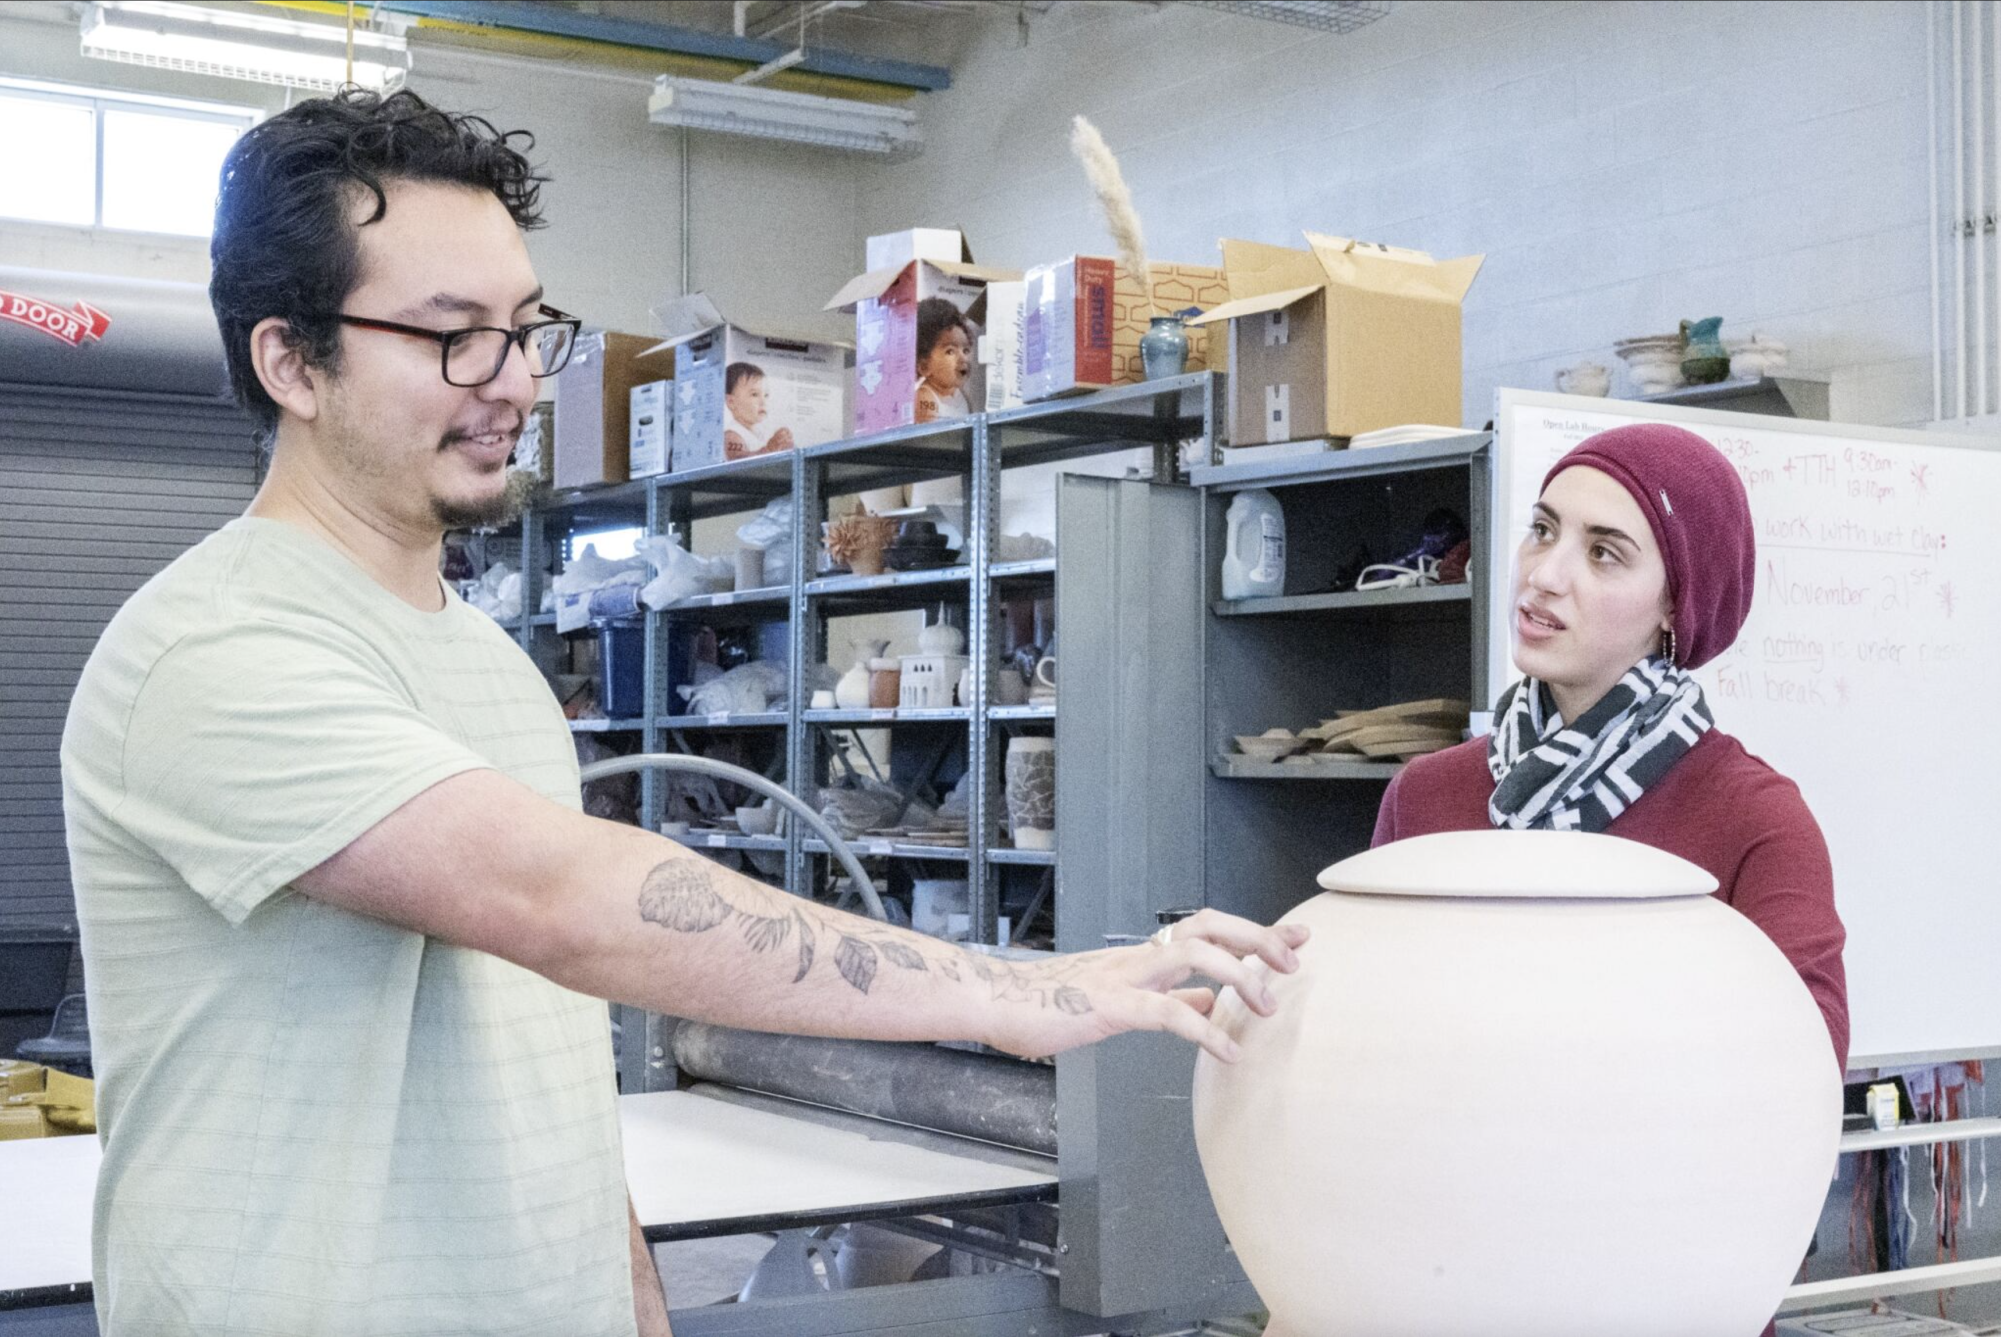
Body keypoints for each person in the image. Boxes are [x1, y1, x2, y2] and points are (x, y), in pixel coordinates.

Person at [59, 89, 1305, 1337]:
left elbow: (538, 1036)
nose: (513, 382)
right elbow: (563, 899)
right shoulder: (207, 649)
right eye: (452, 337)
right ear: (291, 360)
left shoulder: (486, 667)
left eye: (523, 326)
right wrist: (1010, 990)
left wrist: (634, 1293)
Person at [1373, 422, 1849, 1070]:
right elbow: (1366, 1025)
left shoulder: (1755, 820)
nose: (1544, 574)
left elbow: (1802, 1070)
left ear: (1674, 604)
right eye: (1542, 529)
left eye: (1603, 553)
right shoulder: (1425, 795)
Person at [912, 295, 974, 422]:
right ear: (925, 367)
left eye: (965, 350)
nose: (963, 358)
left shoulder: (962, 397)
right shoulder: (925, 398)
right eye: (950, 351)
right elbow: (927, 439)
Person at [721, 360, 792, 459]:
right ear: (731, 402)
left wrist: (784, 445)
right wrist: (769, 450)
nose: (763, 402)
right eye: (754, 394)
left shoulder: (762, 431)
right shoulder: (733, 434)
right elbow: (738, 462)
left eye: (766, 395)